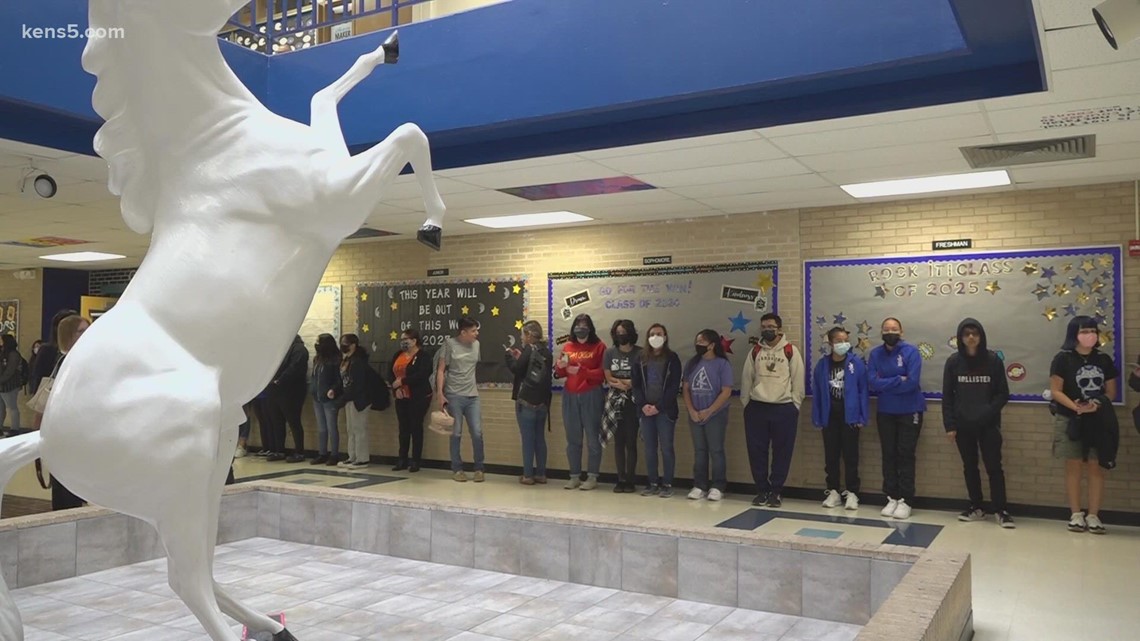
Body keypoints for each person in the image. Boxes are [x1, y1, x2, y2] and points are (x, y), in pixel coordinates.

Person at [1049, 315, 1118, 534]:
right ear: (1074, 334)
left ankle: (1094, 515)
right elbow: (1056, 391)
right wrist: (1075, 406)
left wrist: (1096, 405)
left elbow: (1111, 392)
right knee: (1074, 464)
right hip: (1071, 419)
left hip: (1099, 420)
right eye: (1084, 331)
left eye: (1093, 331)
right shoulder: (1063, 359)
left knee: (1096, 467)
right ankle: (1076, 513)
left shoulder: (1103, 360)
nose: (1090, 335)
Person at [942, 318, 1013, 528]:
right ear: (961, 338)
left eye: (975, 333)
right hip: (963, 425)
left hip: (989, 425)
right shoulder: (953, 362)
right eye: (966, 334)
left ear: (981, 336)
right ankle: (977, 506)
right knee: (970, 467)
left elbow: (1003, 394)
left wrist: (987, 412)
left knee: (994, 467)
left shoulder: (993, 360)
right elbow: (947, 397)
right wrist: (950, 425)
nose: (971, 337)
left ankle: (1001, 510)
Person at [740, 313, 805, 508]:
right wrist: (747, 403)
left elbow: (798, 380)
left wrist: (795, 405)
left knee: (782, 452)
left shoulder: (790, 350)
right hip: (757, 408)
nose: (767, 329)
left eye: (771, 326)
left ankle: (776, 491)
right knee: (756, 452)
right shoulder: (755, 351)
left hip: (784, 409)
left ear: (779, 329)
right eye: (764, 326)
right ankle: (762, 490)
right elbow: (746, 379)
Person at [867, 317, 925, 520]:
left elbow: (912, 382)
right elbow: (872, 382)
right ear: (881, 332)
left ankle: (906, 500)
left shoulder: (911, 352)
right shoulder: (875, 354)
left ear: (901, 331)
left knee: (905, 454)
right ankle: (892, 496)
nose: (890, 331)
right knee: (888, 454)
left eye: (894, 328)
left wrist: (887, 382)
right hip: (886, 411)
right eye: (886, 328)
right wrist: (897, 379)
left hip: (910, 410)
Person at [810, 327, 867, 511]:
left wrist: (861, 416)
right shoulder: (822, 365)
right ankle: (833, 490)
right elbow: (817, 392)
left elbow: (862, 391)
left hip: (850, 416)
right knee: (831, 455)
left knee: (851, 455)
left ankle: (852, 492)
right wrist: (817, 417)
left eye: (845, 340)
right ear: (830, 343)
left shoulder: (855, 363)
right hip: (830, 416)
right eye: (839, 341)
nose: (843, 344)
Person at [555, 314, 607, 490]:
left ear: (590, 327)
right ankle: (574, 475)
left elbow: (603, 374)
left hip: (591, 394)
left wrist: (583, 371)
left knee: (593, 438)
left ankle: (592, 476)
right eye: (578, 324)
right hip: (570, 394)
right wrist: (560, 367)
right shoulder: (568, 346)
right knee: (573, 438)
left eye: (584, 324)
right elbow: (561, 373)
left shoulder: (599, 347)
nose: (581, 327)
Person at [682, 329, 733, 501]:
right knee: (700, 450)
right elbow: (686, 389)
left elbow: (726, 391)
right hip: (695, 414)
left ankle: (718, 486)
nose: (699, 345)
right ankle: (699, 485)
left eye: (702, 342)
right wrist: (692, 411)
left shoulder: (722, 364)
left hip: (716, 414)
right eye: (697, 341)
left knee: (716, 450)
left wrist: (709, 411)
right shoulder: (692, 363)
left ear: (712, 345)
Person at [631, 323, 682, 497]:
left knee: (666, 448)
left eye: (659, 333)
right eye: (652, 334)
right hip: (645, 410)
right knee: (649, 448)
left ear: (665, 337)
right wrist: (643, 404)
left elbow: (674, 386)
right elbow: (636, 384)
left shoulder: (672, 358)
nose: (655, 337)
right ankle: (652, 482)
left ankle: (667, 483)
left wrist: (658, 407)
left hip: (665, 411)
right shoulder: (640, 358)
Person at [47, 314, 91, 510]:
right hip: (66, 429)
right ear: (70, 335)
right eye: (82, 330)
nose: (87, 333)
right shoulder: (67, 361)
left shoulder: (79, 358)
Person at [437, 317, 484, 482]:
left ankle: (479, 468)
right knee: (456, 433)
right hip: (454, 395)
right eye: (473, 331)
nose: (476, 334)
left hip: (473, 396)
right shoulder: (449, 344)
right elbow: (441, 370)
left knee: (477, 433)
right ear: (463, 332)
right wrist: (440, 393)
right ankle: (457, 469)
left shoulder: (476, 345)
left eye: (476, 330)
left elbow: (472, 368)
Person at [507, 320, 553, 485]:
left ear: (529, 335)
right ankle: (541, 474)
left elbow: (518, 370)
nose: (522, 338)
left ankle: (527, 475)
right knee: (540, 438)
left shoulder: (529, 349)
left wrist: (509, 358)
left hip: (525, 401)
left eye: (523, 335)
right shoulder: (547, 352)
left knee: (527, 439)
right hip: (542, 403)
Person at [604, 320, 642, 493]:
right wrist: (622, 384)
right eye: (618, 332)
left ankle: (630, 479)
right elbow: (608, 376)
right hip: (615, 399)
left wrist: (630, 384)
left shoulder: (640, 353)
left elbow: (641, 377)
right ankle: (620, 478)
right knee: (618, 441)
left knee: (631, 441)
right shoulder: (610, 352)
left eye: (624, 332)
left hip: (633, 401)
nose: (621, 335)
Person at [392, 329, 432, 472]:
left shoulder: (423, 356)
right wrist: (396, 389)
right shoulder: (398, 355)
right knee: (403, 428)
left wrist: (403, 381)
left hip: (418, 396)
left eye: (406, 339)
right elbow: (390, 374)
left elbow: (422, 375)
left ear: (414, 341)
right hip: (401, 397)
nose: (403, 342)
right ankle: (402, 459)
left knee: (415, 427)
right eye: (401, 339)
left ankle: (415, 460)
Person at [265, 335, 308, 463]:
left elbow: (295, 368)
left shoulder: (299, 349)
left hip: (291, 390)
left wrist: (280, 380)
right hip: (275, 389)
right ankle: (279, 450)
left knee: (294, 422)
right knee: (276, 421)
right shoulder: (280, 348)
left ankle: (299, 452)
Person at [337, 333, 373, 469]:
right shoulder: (346, 360)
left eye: (345, 343)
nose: (343, 346)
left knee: (359, 428)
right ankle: (352, 456)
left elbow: (357, 384)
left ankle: (362, 458)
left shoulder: (358, 361)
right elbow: (344, 380)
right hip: (349, 398)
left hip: (359, 399)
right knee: (350, 428)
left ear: (353, 345)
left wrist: (343, 398)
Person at [310, 333, 343, 466]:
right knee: (321, 428)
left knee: (331, 427)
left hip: (329, 398)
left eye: (319, 342)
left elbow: (339, 379)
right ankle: (322, 453)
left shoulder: (335, 360)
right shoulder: (317, 359)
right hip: (317, 397)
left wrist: (333, 390)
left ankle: (334, 454)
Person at [0, 335, 23, 432]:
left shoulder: (13, 354)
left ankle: (14, 428)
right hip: (2, 385)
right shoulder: (3, 352)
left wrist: (1, 380)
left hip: (11, 385)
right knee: (1, 407)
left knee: (12, 407)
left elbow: (10, 370)